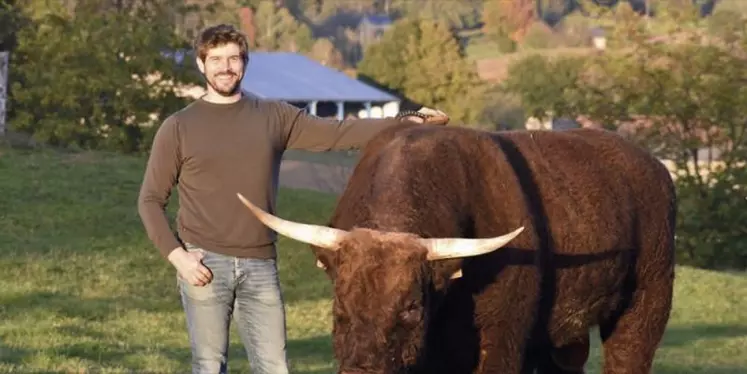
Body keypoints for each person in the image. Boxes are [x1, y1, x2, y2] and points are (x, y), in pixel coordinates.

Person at [136, 23, 450, 374]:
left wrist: (407, 121)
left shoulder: (274, 116)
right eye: (217, 59)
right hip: (205, 265)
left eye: (234, 59)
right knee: (209, 365)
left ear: (244, 63)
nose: (226, 67)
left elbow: (338, 133)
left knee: (275, 367)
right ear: (201, 64)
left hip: (260, 266)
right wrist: (178, 257)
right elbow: (149, 199)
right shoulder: (178, 127)